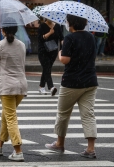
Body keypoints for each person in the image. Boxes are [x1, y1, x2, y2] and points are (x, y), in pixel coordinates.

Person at [45, 14, 98, 159]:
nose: (67, 23)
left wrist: (60, 51)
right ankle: (91, 148)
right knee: (88, 115)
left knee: (63, 113)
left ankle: (59, 143)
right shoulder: (90, 37)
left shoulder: (70, 38)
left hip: (72, 82)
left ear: (72, 23)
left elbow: (64, 59)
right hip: (90, 81)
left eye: (68, 21)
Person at [0, 25, 27, 162]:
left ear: (3, 31)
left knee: (10, 117)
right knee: (6, 114)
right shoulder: (22, 45)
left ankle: (18, 150)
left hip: (7, 87)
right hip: (21, 86)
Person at [37, 18, 63, 96]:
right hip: (43, 51)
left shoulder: (57, 26)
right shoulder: (42, 26)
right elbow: (40, 39)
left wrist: (64, 44)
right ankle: (51, 87)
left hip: (53, 52)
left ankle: (41, 87)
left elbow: (61, 38)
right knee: (47, 68)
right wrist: (49, 33)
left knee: (46, 69)